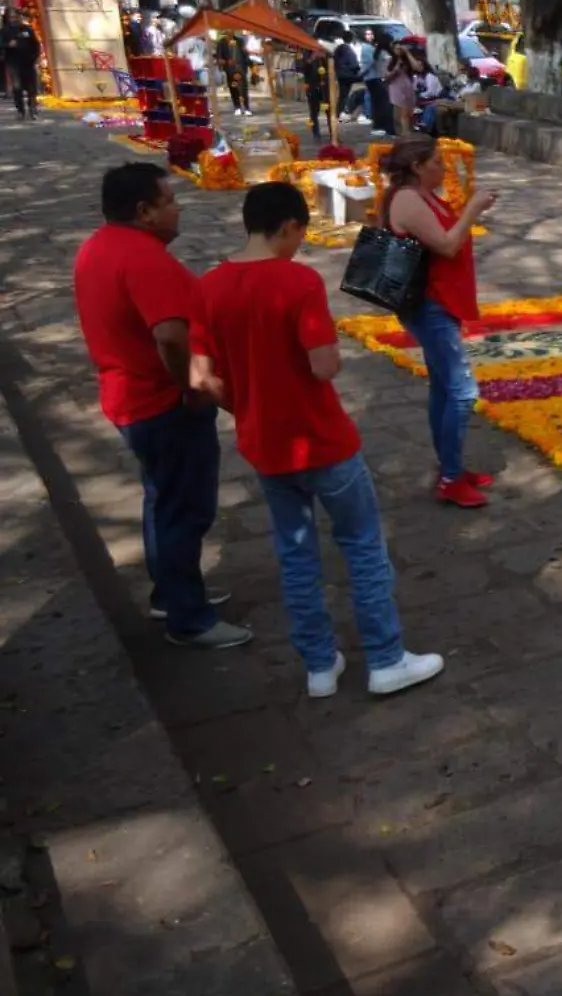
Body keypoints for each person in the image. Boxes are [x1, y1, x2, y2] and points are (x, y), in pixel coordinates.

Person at [188, 183, 444, 697]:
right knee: (363, 545)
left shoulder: (207, 288)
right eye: (299, 235)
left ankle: (320, 665)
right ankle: (386, 658)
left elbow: (201, 380)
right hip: (322, 440)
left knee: (296, 553)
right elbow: (322, 364)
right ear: (288, 226)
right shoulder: (296, 282)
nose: (299, 245)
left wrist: (250, 406)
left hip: (266, 445)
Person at [73, 163, 250, 648]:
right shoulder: (144, 259)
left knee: (161, 499)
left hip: (128, 398)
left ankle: (170, 594)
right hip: (160, 403)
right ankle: (188, 620)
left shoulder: (98, 246)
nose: (178, 208)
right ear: (144, 211)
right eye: (170, 200)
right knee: (184, 509)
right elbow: (170, 335)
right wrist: (191, 386)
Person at [381, 137, 498, 507]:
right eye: (436, 162)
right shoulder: (407, 199)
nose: (444, 167)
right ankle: (450, 479)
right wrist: (472, 210)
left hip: (439, 301)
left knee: (444, 388)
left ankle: (451, 466)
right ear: (417, 167)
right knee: (463, 391)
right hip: (428, 305)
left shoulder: (424, 194)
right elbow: (446, 245)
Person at [2, 10, 42, 122]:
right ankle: (20, 111)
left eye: (15, 17)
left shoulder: (27, 29)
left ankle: (33, 109)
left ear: (19, 17)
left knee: (32, 88)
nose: (14, 19)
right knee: (17, 88)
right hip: (14, 64)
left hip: (28, 63)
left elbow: (36, 44)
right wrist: (7, 45)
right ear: (8, 19)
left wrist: (35, 58)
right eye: (11, 17)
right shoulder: (4, 31)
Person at [365, 30, 395, 137]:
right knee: (385, 105)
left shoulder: (376, 52)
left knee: (377, 105)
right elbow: (386, 69)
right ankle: (388, 127)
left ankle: (378, 125)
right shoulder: (385, 54)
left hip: (373, 80)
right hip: (381, 80)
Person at [297, 47, 331, 138]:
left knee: (329, 110)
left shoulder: (324, 51)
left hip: (324, 86)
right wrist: (311, 58)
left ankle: (333, 133)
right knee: (313, 112)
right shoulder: (304, 53)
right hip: (311, 86)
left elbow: (331, 67)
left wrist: (324, 57)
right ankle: (315, 134)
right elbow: (300, 68)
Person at [215, 33, 251, 116]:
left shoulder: (240, 41)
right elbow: (219, 58)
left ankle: (246, 108)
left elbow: (245, 54)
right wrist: (227, 62)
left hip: (241, 67)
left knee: (243, 88)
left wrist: (251, 64)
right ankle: (237, 107)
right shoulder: (221, 43)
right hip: (230, 69)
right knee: (233, 87)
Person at [330, 35, 362, 123]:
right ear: (352, 39)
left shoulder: (338, 49)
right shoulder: (348, 49)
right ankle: (343, 112)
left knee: (342, 95)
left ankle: (338, 113)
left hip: (340, 75)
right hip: (349, 75)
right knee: (346, 95)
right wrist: (359, 71)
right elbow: (353, 64)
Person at [386, 45, 418, 132]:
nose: (399, 50)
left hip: (408, 88)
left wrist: (407, 53)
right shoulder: (390, 60)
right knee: (401, 114)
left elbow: (417, 67)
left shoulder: (407, 60)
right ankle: (404, 135)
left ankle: (409, 133)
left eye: (400, 48)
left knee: (409, 113)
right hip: (396, 87)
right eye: (397, 49)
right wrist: (396, 68)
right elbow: (386, 76)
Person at [413, 57, 446, 134]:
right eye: (416, 65)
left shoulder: (430, 76)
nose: (418, 67)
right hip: (422, 100)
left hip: (435, 99)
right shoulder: (416, 77)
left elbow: (431, 92)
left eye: (420, 65)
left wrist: (419, 95)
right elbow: (414, 89)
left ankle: (426, 127)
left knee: (430, 108)